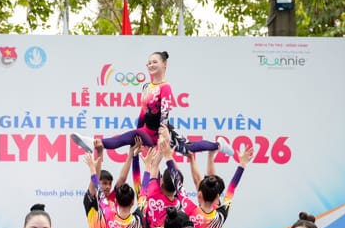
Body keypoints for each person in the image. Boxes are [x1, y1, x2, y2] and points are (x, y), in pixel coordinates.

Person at [71, 51, 233, 157]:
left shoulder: (165, 87)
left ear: (164, 64)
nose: (151, 65)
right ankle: (93, 142)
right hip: (146, 131)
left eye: (154, 62)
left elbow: (165, 113)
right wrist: (137, 132)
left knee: (189, 148)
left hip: (160, 132)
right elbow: (143, 112)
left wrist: (163, 135)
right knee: (124, 138)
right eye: (149, 63)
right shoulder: (146, 87)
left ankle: (219, 145)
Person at [160, 129, 253, 228]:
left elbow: (178, 184)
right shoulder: (221, 213)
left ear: (199, 195)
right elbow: (232, 188)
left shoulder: (191, 210)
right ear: (217, 197)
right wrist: (242, 164)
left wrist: (168, 157)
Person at [81, 138, 140, 228]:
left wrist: (130, 154)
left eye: (109, 184)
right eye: (104, 183)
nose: (107, 187)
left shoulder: (114, 199)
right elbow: (94, 183)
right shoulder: (92, 201)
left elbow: (122, 178)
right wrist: (99, 154)